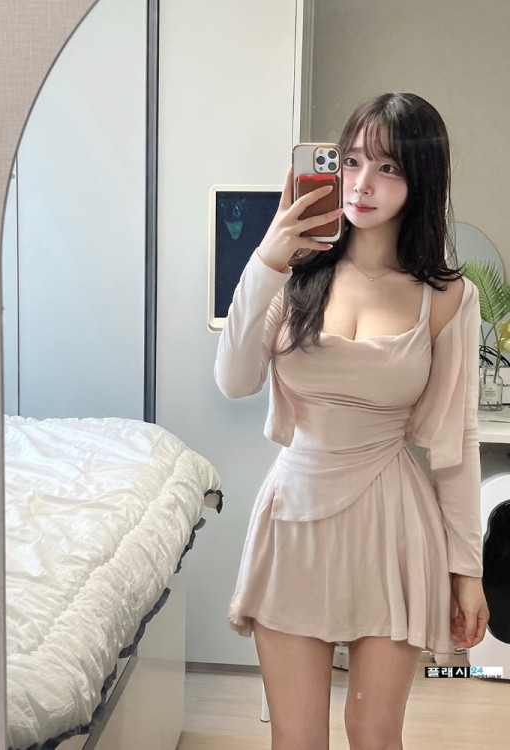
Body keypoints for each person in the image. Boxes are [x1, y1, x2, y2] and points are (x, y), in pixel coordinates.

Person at [214, 92, 490, 750]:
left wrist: (468, 571)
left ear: (422, 180)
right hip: (295, 517)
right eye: (353, 161)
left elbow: (457, 443)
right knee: (297, 739)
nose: (363, 183)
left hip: (394, 526)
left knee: (373, 733)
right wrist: (268, 256)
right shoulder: (293, 274)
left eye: (388, 168)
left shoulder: (449, 298)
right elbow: (234, 379)